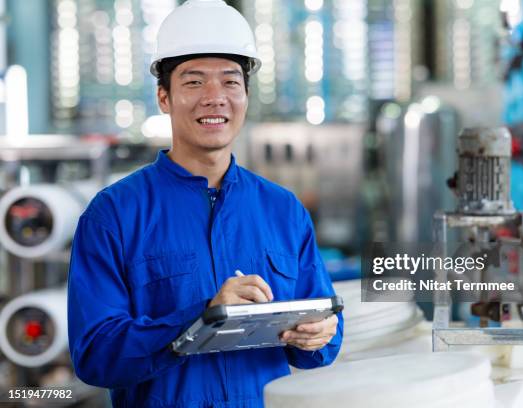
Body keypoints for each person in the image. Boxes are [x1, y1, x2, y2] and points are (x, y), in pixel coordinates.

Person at [67, 0, 343, 407]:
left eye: (231, 82)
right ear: (164, 97)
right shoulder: (114, 215)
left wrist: (320, 336)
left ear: (246, 95)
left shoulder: (283, 210)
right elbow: (95, 355)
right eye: (194, 82)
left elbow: (322, 338)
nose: (215, 98)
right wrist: (201, 318)